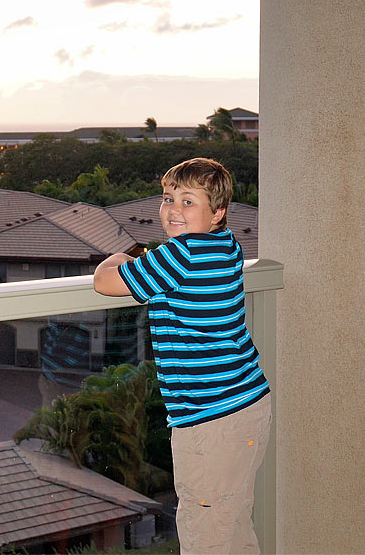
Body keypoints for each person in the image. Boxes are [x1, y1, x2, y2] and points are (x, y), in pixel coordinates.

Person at [94, 157, 270, 555]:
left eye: (188, 201)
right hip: (248, 405)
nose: (173, 209)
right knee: (234, 523)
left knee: (205, 533)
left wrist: (121, 257)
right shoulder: (226, 245)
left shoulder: (181, 255)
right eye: (168, 198)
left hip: (211, 419)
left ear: (218, 211)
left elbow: (105, 282)